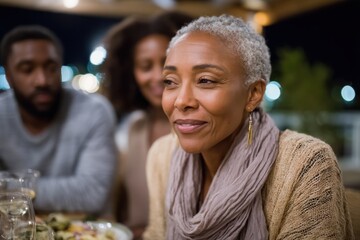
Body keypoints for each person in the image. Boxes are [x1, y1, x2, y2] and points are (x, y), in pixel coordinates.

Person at [143, 15, 354, 239]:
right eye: (170, 82)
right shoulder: (162, 155)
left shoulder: (304, 164)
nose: (181, 101)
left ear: (253, 94)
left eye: (205, 80)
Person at [0, 25, 117, 215]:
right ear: (9, 76)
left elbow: (92, 193)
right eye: (27, 69)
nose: (42, 80)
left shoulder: (94, 111)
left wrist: (8, 188)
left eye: (51, 68)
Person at [100, 10, 193, 237]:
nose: (157, 76)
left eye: (166, 62)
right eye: (145, 66)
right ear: (131, 73)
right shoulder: (134, 128)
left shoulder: (198, 129)